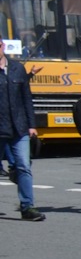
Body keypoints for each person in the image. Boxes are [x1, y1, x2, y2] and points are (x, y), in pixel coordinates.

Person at [0, 39, 40, 220]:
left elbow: (26, 98)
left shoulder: (17, 68)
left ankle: (27, 207)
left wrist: (31, 125)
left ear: (2, 47)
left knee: (24, 166)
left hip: (19, 127)